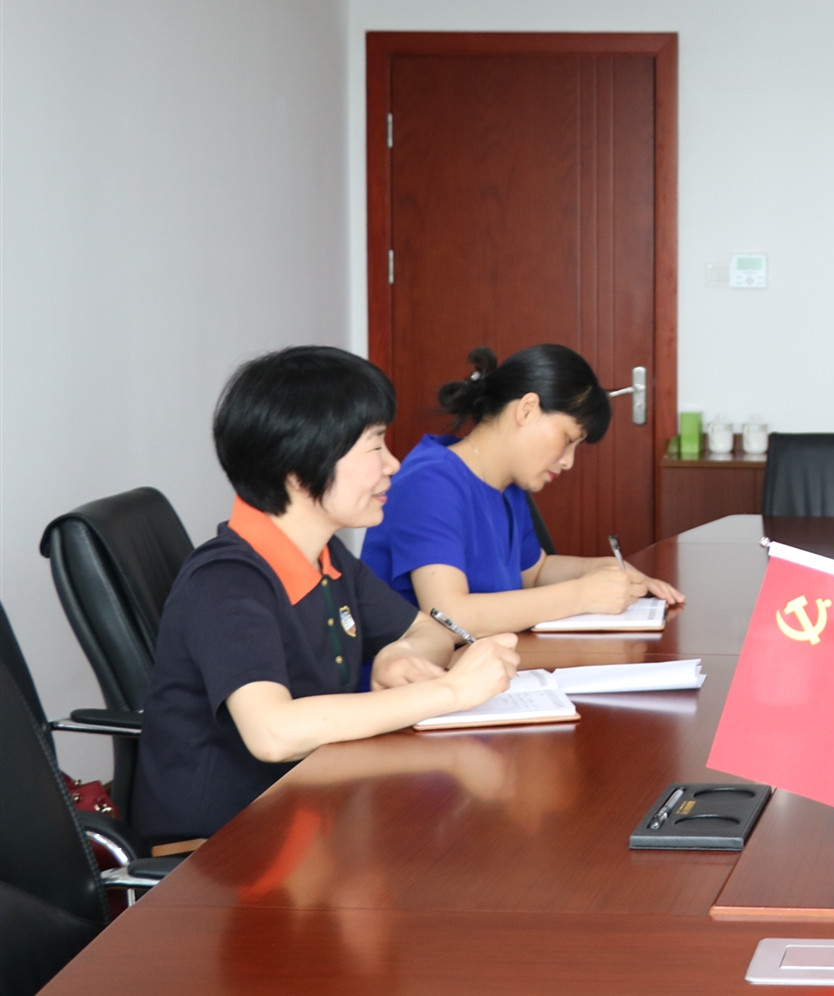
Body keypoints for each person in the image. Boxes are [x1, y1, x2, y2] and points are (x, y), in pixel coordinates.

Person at [136, 346, 521, 843]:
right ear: (299, 467)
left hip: (312, 810)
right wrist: (451, 692)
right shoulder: (226, 581)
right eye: (374, 446)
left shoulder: (325, 554)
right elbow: (273, 733)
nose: (393, 464)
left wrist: (400, 654)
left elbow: (427, 629)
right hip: (224, 849)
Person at [361, 345, 683, 635]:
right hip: (419, 676)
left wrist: (603, 571)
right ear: (527, 409)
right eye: (568, 440)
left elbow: (535, 571)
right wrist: (582, 594)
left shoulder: (506, 484)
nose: (568, 461)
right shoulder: (430, 481)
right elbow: (449, 615)